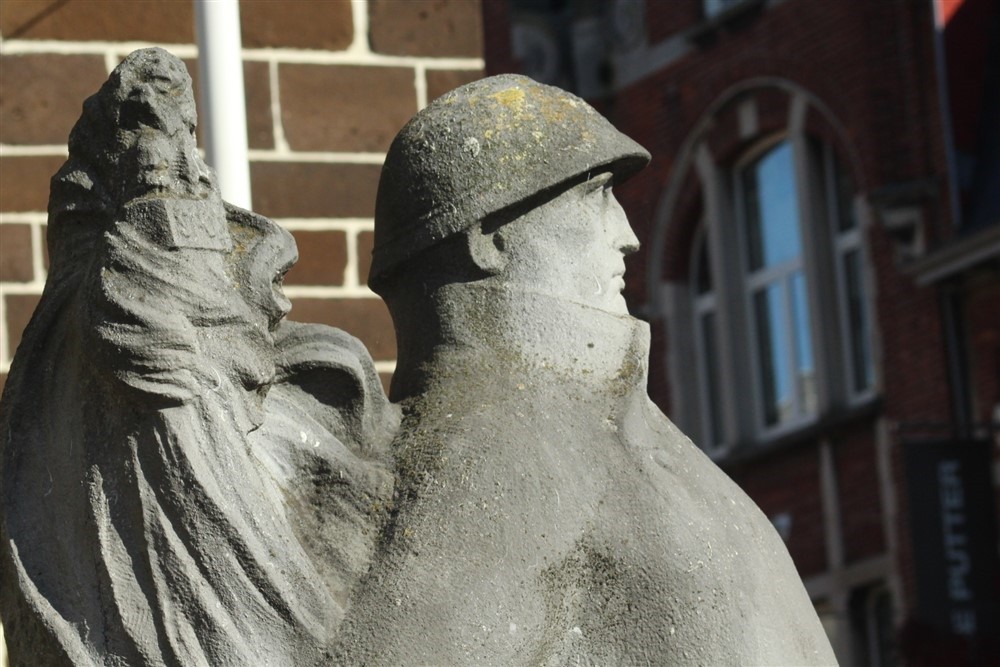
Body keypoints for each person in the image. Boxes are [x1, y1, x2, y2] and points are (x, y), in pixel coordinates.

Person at [332, 75, 838, 665]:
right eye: (596, 194)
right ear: (488, 239)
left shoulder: (594, 427)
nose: (628, 236)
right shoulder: (498, 455)